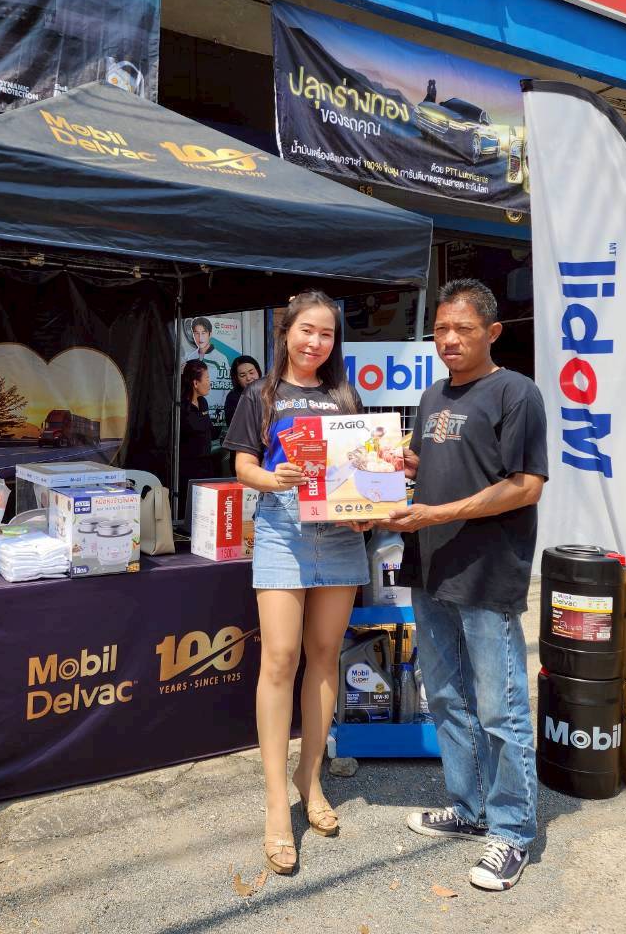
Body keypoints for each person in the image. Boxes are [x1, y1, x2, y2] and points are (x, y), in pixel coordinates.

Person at [384, 278, 547, 892]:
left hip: (486, 571)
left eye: (463, 329)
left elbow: (525, 485)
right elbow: (443, 466)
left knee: (501, 709)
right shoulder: (432, 397)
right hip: (431, 567)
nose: (449, 339)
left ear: (492, 332)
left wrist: (438, 513)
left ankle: (512, 831)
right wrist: (398, 466)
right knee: (448, 697)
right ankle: (470, 806)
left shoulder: (516, 392)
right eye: (441, 329)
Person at [224, 290, 371, 877]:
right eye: (307, 330)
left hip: (340, 536)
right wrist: (273, 478)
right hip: (282, 530)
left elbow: (364, 471)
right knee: (280, 658)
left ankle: (309, 780)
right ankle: (275, 805)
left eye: (326, 333)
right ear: (285, 332)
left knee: (325, 655)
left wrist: (367, 508)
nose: (316, 342)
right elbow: (243, 467)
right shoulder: (260, 395)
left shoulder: (346, 397)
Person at [177, 359, 214, 515]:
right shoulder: (181, 407)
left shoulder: (203, 402)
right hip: (187, 468)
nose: (210, 383)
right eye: (207, 378)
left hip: (206, 465)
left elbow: (209, 429)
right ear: (195, 383)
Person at [222, 354, 263, 431]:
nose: (248, 378)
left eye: (251, 373)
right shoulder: (233, 398)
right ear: (237, 379)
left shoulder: (268, 392)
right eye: (243, 375)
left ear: (258, 372)